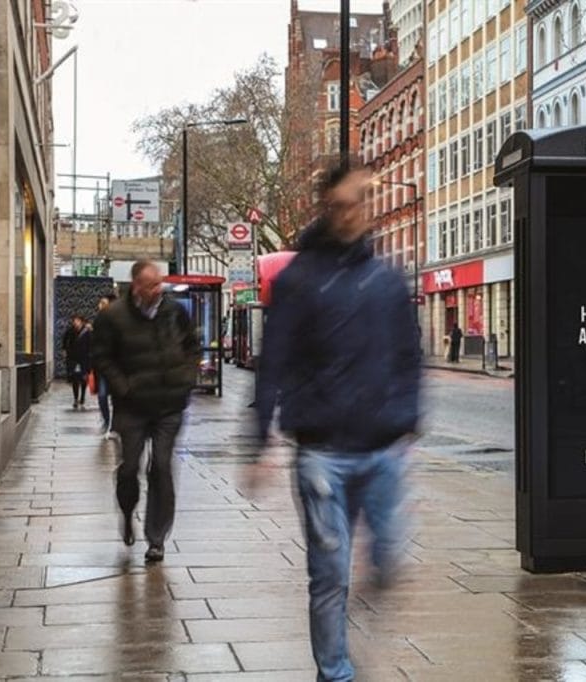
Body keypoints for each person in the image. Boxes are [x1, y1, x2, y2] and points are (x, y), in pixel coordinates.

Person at [253, 163, 421, 681]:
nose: (356, 212)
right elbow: (273, 360)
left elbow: (409, 355)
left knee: (388, 560)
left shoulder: (387, 279)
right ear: (328, 207)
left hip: (382, 450)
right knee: (328, 573)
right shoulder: (299, 279)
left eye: (363, 200)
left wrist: (408, 417)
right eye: (346, 203)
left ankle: (366, 598)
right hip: (321, 453)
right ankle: (336, 672)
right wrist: (258, 439)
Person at [91, 261, 201, 563]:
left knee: (162, 467)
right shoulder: (113, 317)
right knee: (129, 469)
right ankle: (127, 512)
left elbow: (193, 347)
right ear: (137, 286)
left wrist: (186, 379)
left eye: (160, 283)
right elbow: (101, 357)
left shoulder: (174, 312)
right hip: (132, 406)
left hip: (169, 404)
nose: (159, 289)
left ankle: (156, 538)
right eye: (152, 285)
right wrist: (123, 387)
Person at [95, 293, 117, 438]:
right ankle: (106, 420)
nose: (100, 306)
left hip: (117, 368)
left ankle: (114, 426)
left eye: (103, 303)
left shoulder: (119, 320)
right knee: (102, 396)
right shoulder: (99, 322)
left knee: (117, 400)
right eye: (100, 303)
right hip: (103, 367)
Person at [61, 315, 90, 409]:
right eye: (74, 321)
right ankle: (75, 399)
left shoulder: (87, 332)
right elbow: (64, 341)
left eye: (77, 321)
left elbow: (91, 344)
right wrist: (65, 350)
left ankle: (82, 397)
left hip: (84, 359)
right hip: (73, 359)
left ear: (81, 322)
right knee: (75, 379)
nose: (75, 322)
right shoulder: (70, 331)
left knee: (84, 379)